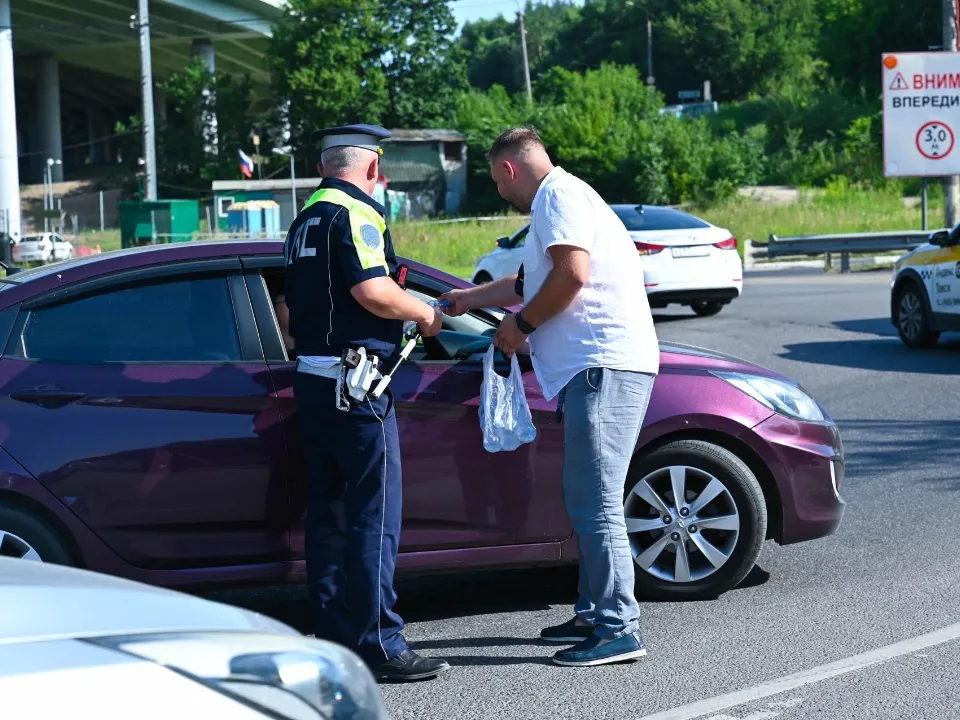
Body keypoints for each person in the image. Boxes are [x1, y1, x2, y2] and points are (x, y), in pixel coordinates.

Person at [440, 126, 660, 668]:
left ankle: (618, 629)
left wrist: (521, 326)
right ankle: (592, 613)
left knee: (597, 501)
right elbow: (528, 280)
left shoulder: (557, 196)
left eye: (497, 182)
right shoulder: (559, 202)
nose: (500, 194)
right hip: (591, 370)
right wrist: (469, 298)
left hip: (602, 366)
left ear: (511, 170)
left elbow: (570, 275)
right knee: (586, 498)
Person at [284, 123, 451, 681]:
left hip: (315, 381)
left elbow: (294, 307)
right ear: (374, 167)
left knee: (329, 517)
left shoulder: (306, 215)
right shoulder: (353, 212)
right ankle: (381, 644)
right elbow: (372, 291)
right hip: (356, 387)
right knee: (373, 519)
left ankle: (336, 640)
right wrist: (424, 314)